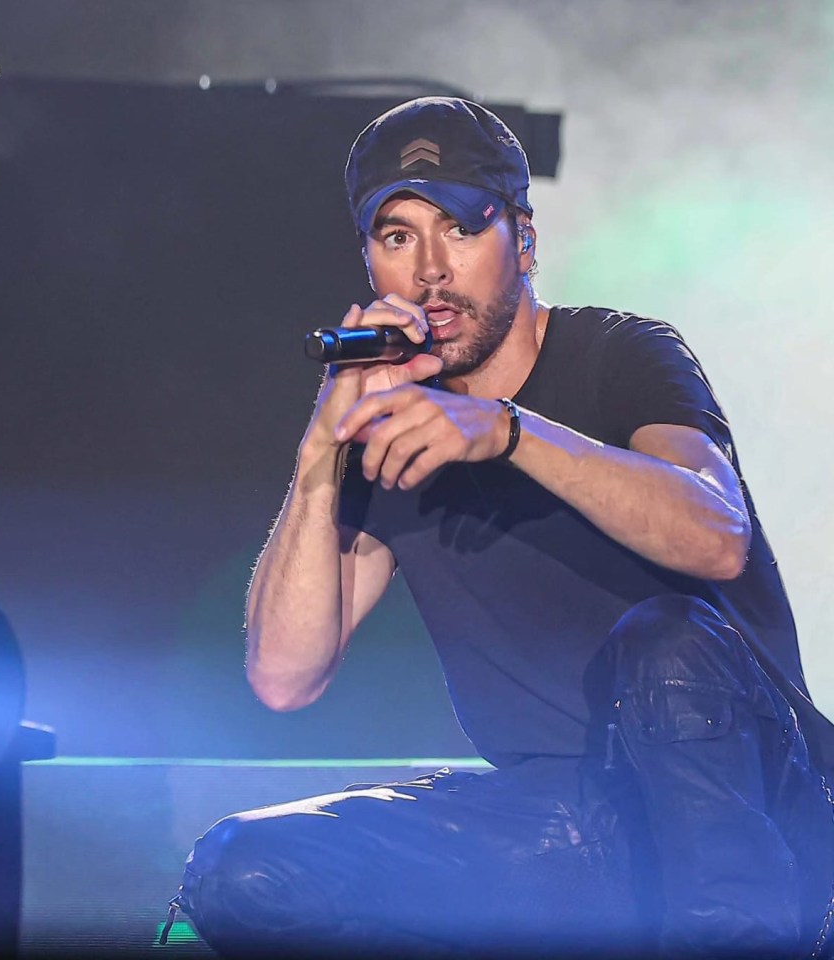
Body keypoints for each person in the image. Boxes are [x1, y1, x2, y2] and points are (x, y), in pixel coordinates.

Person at [165, 97, 834, 958]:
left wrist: (509, 432)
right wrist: (322, 445)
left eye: (460, 229)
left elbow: (714, 534)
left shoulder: (621, 354)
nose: (430, 271)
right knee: (244, 870)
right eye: (398, 236)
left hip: (755, 805)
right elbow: (285, 677)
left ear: (523, 241)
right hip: (570, 824)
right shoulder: (387, 428)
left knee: (666, 645)